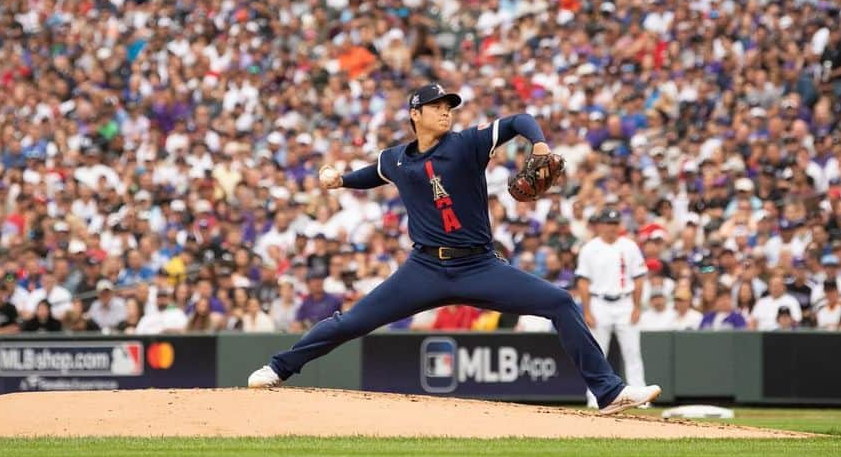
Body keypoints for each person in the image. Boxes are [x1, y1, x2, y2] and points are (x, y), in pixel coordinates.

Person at [249, 83, 661, 414]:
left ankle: (608, 392)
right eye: (436, 106)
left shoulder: (466, 144)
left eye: (449, 105)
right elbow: (373, 173)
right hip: (424, 270)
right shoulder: (396, 159)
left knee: (559, 301)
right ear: (415, 114)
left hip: (479, 266)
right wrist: (341, 181)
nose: (446, 110)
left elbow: (520, 119)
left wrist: (538, 145)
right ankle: (279, 367)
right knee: (353, 321)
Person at [574, 206, 648, 408]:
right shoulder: (590, 248)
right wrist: (587, 310)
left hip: (625, 302)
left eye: (615, 223)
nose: (612, 227)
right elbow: (583, 282)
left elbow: (639, 278)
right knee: (597, 353)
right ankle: (594, 398)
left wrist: (636, 306)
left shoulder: (629, 246)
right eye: (608, 223)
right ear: (600, 225)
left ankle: (641, 399)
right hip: (599, 302)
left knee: (632, 352)